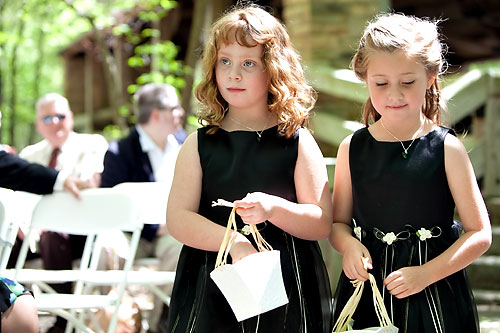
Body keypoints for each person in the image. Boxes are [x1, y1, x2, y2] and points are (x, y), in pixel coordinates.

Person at [165, 4, 333, 332]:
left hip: (286, 287)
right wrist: (234, 242)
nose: (234, 74)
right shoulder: (198, 145)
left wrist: (274, 208)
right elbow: (178, 219)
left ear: (273, 69)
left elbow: (321, 223)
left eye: (249, 64)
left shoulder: (297, 142)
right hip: (210, 280)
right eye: (225, 61)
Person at [329, 13, 492, 333]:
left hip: (435, 294)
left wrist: (426, 274)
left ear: (430, 77)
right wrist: (348, 246)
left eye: (407, 82)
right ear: (365, 78)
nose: (394, 94)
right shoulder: (352, 148)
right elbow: (338, 224)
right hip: (368, 292)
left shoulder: (447, 149)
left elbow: (480, 234)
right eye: (381, 83)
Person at [18, 92, 108, 332]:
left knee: (53, 234)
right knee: (7, 237)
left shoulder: (92, 144)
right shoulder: (29, 155)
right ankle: (16, 310)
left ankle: (62, 319)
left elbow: (88, 184)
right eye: (47, 119)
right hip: (33, 230)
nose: (54, 123)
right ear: (38, 124)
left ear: (70, 117)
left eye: (60, 116)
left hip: (79, 229)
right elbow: (21, 199)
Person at [100, 82, 185, 332]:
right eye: (176, 107)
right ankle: (108, 319)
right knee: (105, 247)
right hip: (131, 232)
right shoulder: (119, 152)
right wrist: (152, 227)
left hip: (173, 231)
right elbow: (111, 205)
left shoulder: (185, 145)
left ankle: (163, 320)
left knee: (183, 248)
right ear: (157, 114)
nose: (181, 112)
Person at [1, 142, 90, 333]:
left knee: (22, 309)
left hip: (69, 235)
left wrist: (61, 180)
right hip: (28, 234)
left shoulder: (92, 146)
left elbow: (14, 169)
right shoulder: (31, 151)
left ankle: (63, 319)